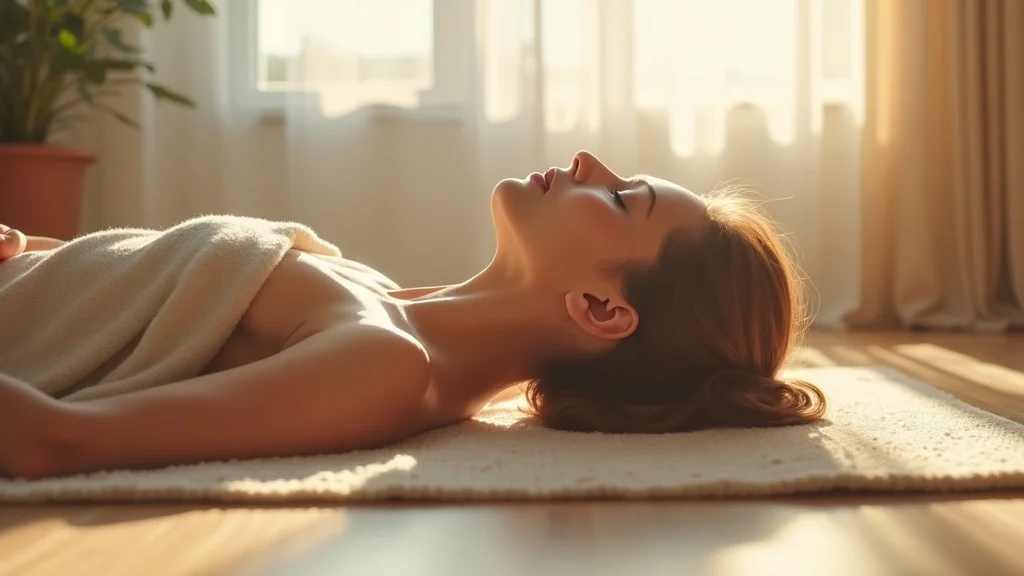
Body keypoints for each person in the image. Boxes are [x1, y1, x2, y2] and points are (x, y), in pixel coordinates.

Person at [0, 151, 826, 479]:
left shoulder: (385, 367)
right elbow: (135, 287)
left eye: (621, 196)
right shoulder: (388, 296)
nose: (586, 160)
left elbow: (51, 442)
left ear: (603, 309)